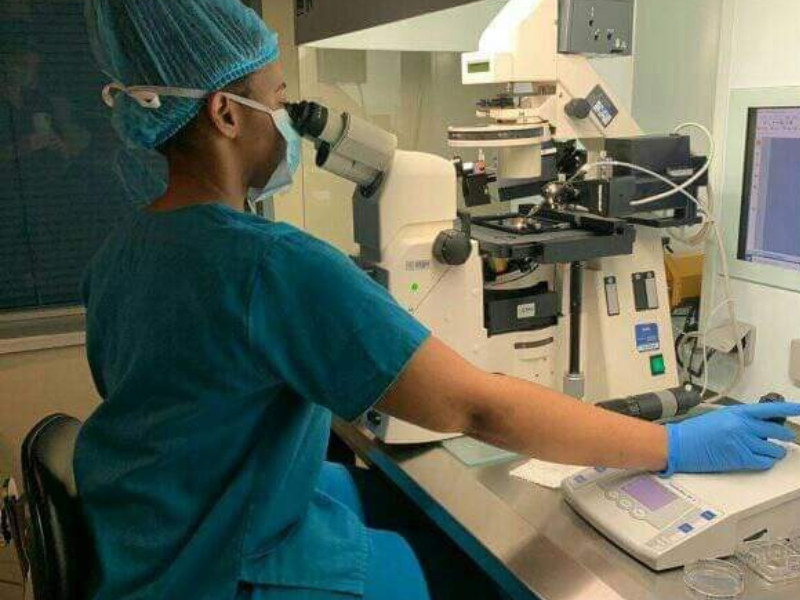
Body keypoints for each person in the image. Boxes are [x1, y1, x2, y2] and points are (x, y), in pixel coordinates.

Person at [76, 1, 800, 600]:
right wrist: (672, 444)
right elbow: (475, 407)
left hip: (152, 548)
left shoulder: (120, 253)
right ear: (226, 116)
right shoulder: (270, 264)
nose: (288, 121)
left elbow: (195, 420)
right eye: (273, 98)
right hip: (231, 574)